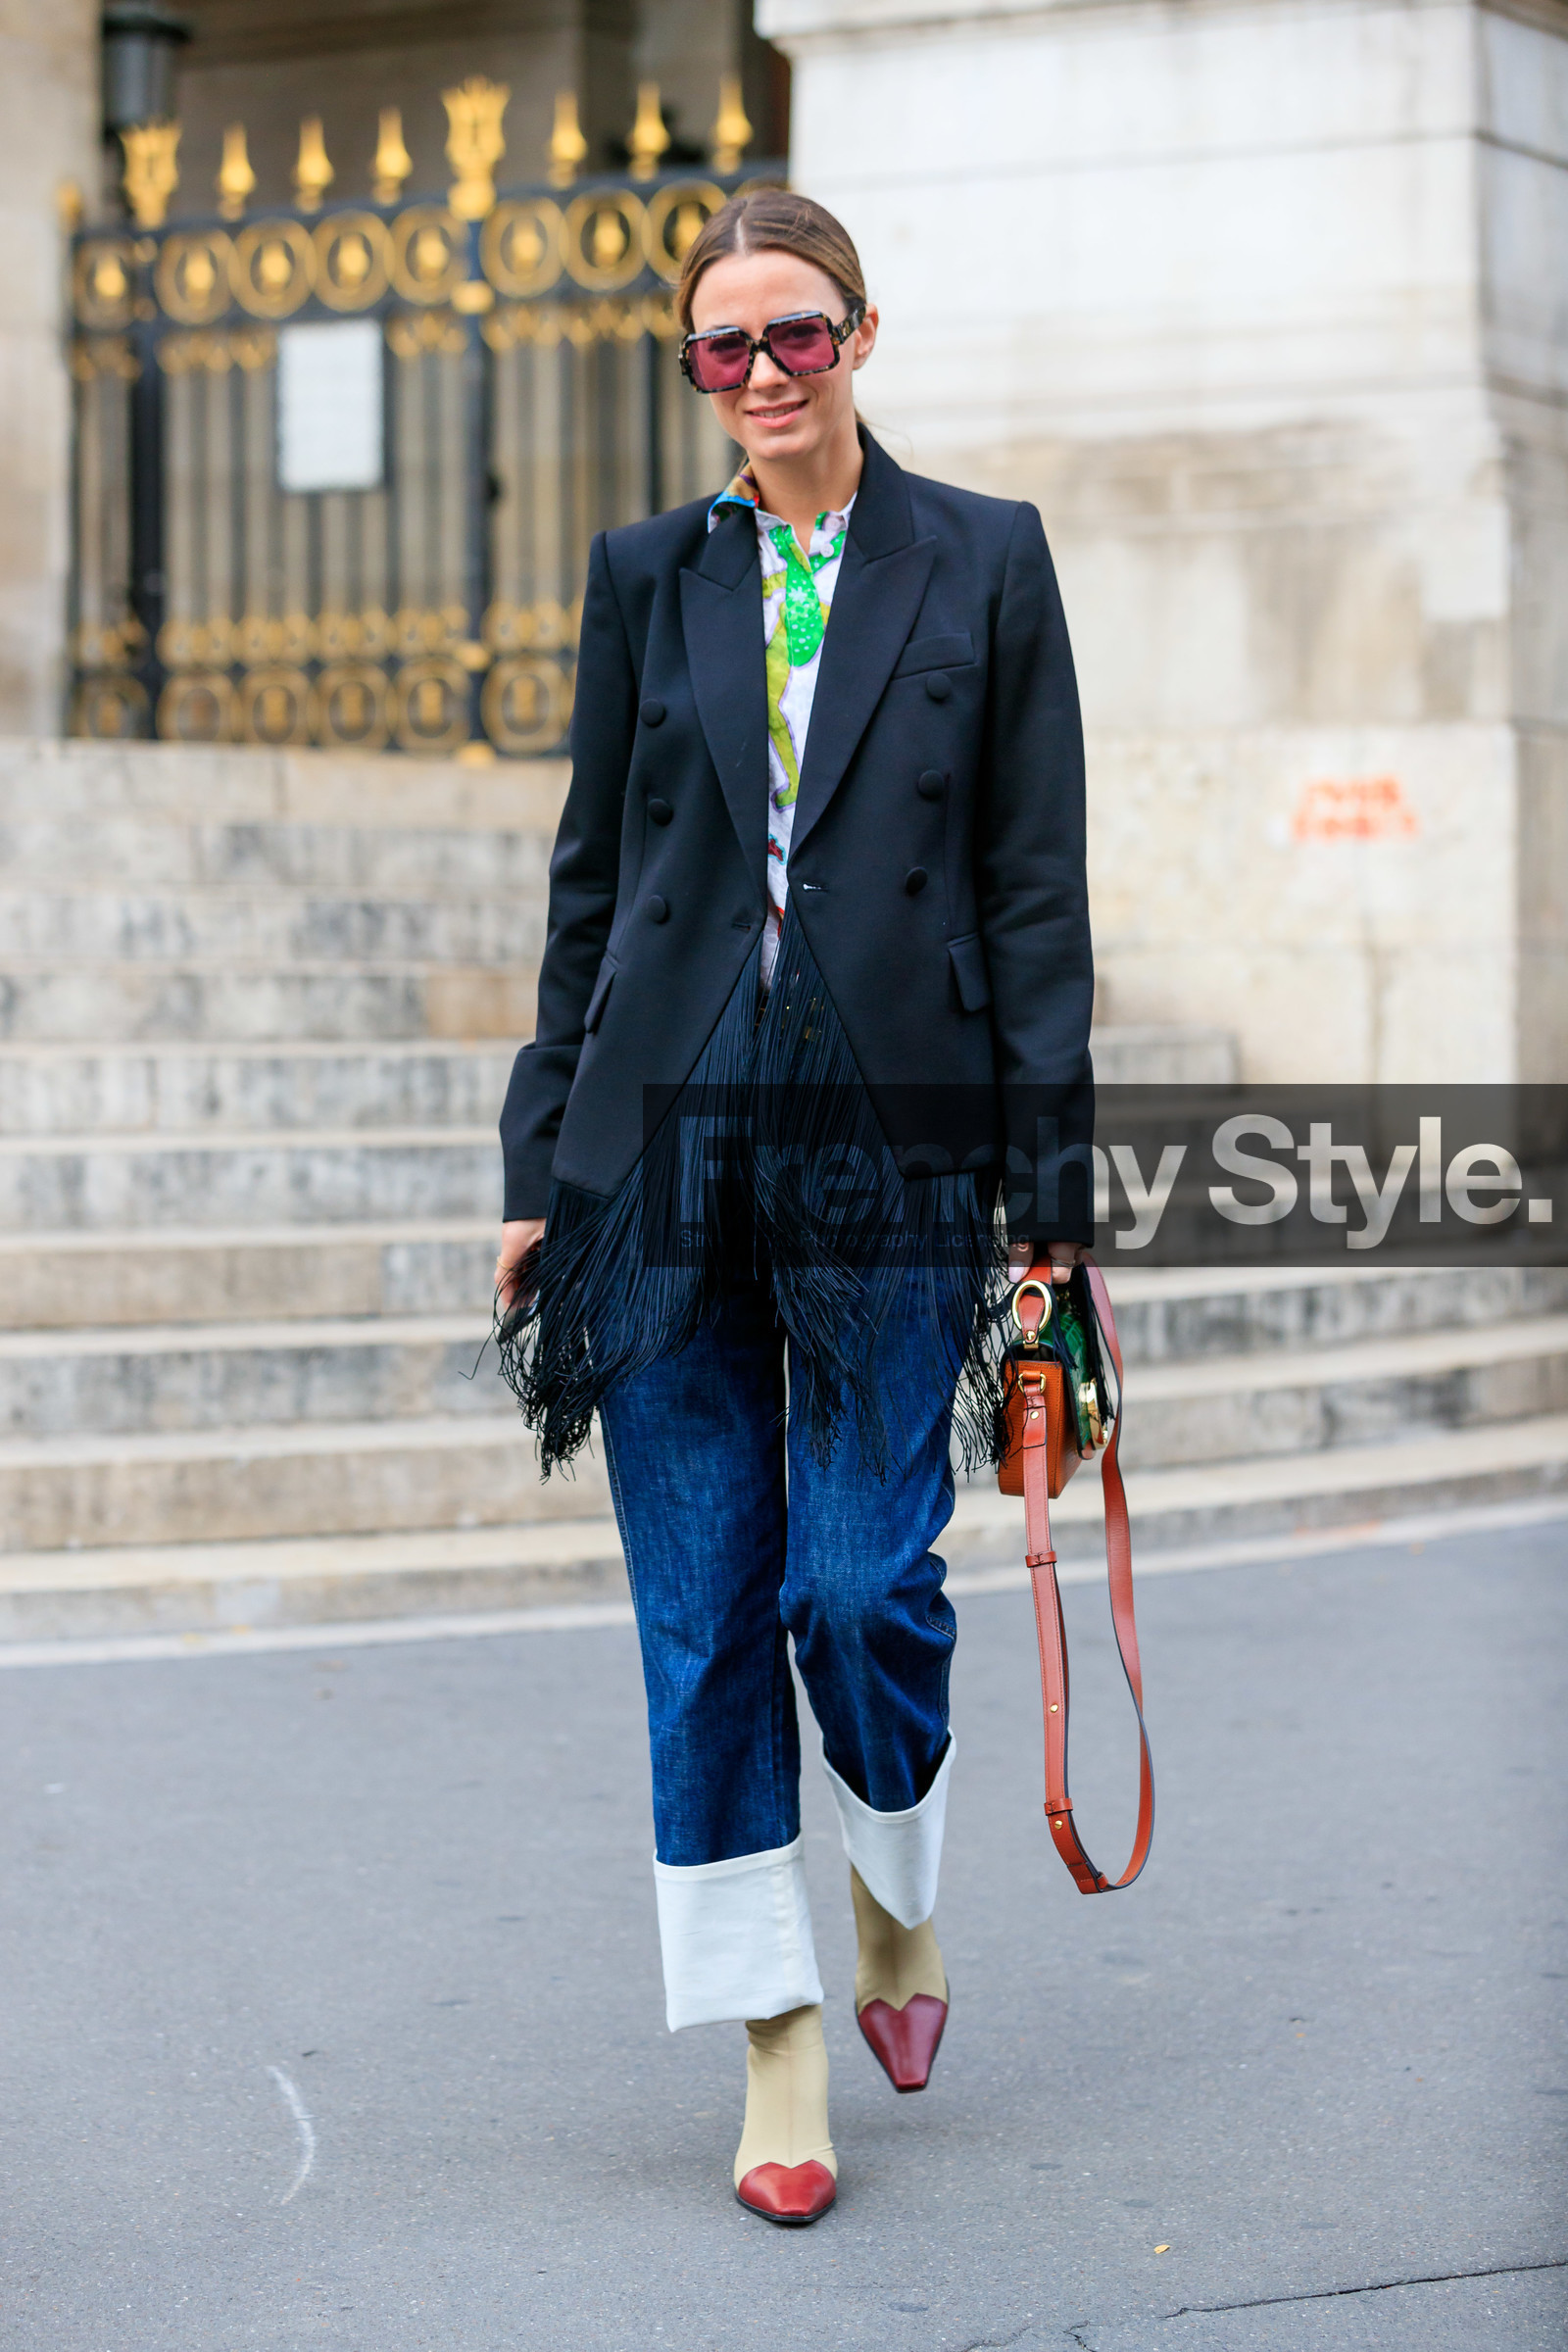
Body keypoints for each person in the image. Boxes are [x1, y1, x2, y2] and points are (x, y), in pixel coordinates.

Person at [495, 188, 1093, 2226]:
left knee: (853, 1585)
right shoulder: (645, 574)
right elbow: (592, 889)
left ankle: (898, 1888)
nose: (756, 375)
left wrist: (1051, 1208)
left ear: (857, 333)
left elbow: (1029, 896)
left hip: (892, 1150)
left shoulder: (983, 561)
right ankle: (772, 2041)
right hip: (654, 1154)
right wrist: (529, 1166)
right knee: (699, 1619)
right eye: (718, 349)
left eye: (791, 335)